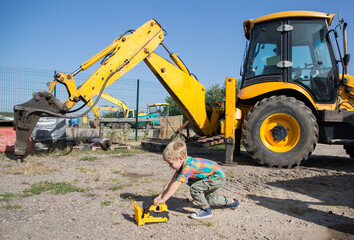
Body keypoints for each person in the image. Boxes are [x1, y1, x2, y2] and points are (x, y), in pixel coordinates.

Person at [153, 140, 239, 220]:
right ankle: (233, 202)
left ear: (180, 158)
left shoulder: (188, 166)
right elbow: (171, 182)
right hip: (213, 177)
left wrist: (164, 200)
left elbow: (176, 185)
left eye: (171, 163)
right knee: (210, 199)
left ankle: (206, 211)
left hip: (217, 177)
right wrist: (160, 196)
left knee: (195, 188)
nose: (170, 166)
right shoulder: (182, 166)